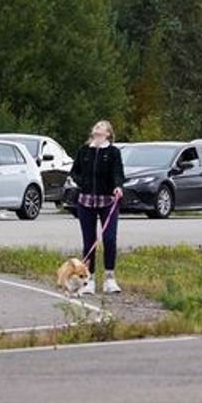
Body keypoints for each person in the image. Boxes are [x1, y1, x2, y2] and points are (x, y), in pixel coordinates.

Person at [69, 120, 125, 295]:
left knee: (109, 239)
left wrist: (117, 186)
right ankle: (89, 279)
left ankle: (110, 278)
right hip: (86, 201)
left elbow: (118, 172)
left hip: (108, 201)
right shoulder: (84, 151)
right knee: (89, 241)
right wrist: (82, 183)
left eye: (102, 127)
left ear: (108, 134)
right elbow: (74, 172)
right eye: (97, 127)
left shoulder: (113, 152)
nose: (98, 129)